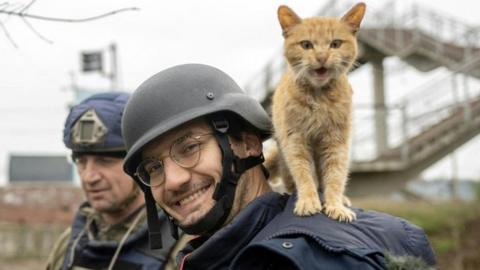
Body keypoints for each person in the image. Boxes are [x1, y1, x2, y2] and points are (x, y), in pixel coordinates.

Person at [121, 64, 437, 269]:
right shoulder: (226, 254)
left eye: (189, 148)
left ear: (247, 143)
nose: (173, 180)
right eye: (153, 168)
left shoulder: (277, 261)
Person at [45, 92, 178, 270]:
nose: (89, 177)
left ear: (140, 165)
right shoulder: (71, 242)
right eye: (81, 161)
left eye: (105, 162)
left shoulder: (183, 245)